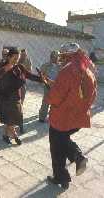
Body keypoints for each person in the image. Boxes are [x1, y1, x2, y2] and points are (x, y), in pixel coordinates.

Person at [45, 43, 97, 189]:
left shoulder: (67, 71)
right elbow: (92, 95)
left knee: (56, 146)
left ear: (67, 55)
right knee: (61, 141)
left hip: (62, 117)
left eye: (62, 55)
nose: (60, 58)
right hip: (78, 118)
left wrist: (50, 92)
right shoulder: (87, 70)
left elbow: (56, 97)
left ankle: (76, 158)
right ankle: (64, 175)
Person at [0, 47, 45, 145]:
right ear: (9, 57)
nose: (16, 60)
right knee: (11, 118)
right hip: (5, 97)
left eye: (17, 58)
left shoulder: (20, 67)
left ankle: (5, 135)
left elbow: (29, 75)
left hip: (16, 96)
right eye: (14, 58)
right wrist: (6, 68)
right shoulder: (2, 66)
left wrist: (41, 79)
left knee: (13, 117)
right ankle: (14, 135)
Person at [38, 51, 61, 122]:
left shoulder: (61, 66)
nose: (56, 58)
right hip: (47, 86)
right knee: (45, 102)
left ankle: (53, 117)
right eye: (54, 57)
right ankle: (42, 117)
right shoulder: (45, 65)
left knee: (55, 103)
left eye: (57, 57)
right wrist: (44, 81)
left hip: (57, 87)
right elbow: (41, 75)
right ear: (51, 57)